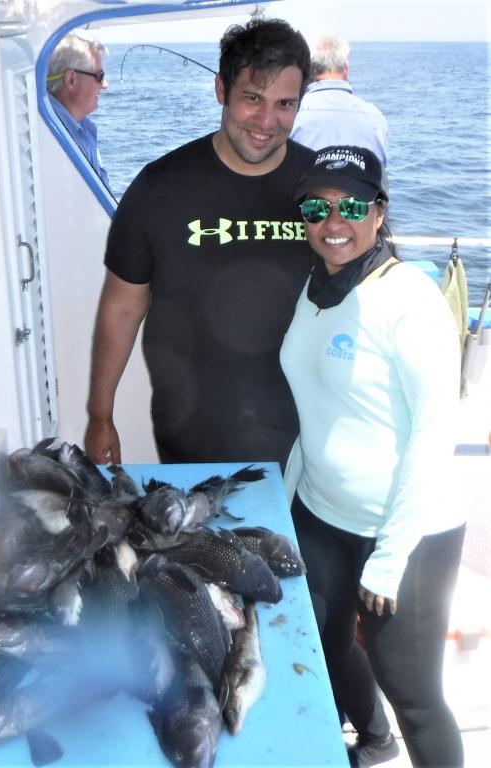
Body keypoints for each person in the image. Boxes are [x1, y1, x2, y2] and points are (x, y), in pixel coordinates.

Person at [281, 145, 466, 767]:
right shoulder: (317, 285)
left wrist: (389, 559)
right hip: (321, 514)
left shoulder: (410, 301)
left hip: (406, 532)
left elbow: (434, 433)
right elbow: (317, 405)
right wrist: (288, 496)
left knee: (413, 693)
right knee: (324, 647)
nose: (333, 222)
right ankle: (374, 742)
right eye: (317, 208)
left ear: (379, 213)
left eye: (352, 207)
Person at [84, 17, 316, 468]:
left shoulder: (321, 191)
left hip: (305, 441)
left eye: (285, 104)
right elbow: (122, 307)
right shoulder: (159, 187)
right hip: (193, 438)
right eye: (253, 98)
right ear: (221, 90)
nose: (267, 121)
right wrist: (100, 415)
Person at [291, 37, 388, 166]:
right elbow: (380, 170)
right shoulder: (375, 116)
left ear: (309, 69)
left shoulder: (294, 114)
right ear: (346, 69)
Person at [47, 32, 112, 192]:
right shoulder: (52, 136)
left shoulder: (81, 129)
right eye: (99, 76)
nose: (105, 84)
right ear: (72, 80)